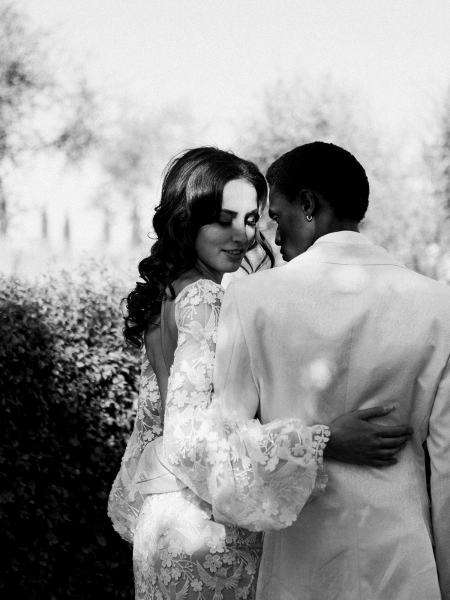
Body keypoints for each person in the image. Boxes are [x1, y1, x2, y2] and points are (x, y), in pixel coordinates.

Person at [108, 147, 411, 600]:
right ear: (187, 219)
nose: (243, 235)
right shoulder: (206, 300)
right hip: (207, 529)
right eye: (223, 219)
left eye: (252, 219)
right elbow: (189, 438)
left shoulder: (167, 296)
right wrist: (322, 440)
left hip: (165, 522)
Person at [206, 141, 450, 600]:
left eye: (278, 218)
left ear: (308, 204)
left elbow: (228, 448)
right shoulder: (440, 306)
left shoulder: (251, 299)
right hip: (403, 567)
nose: (274, 238)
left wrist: (310, 442)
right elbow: (448, 467)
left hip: (299, 569)